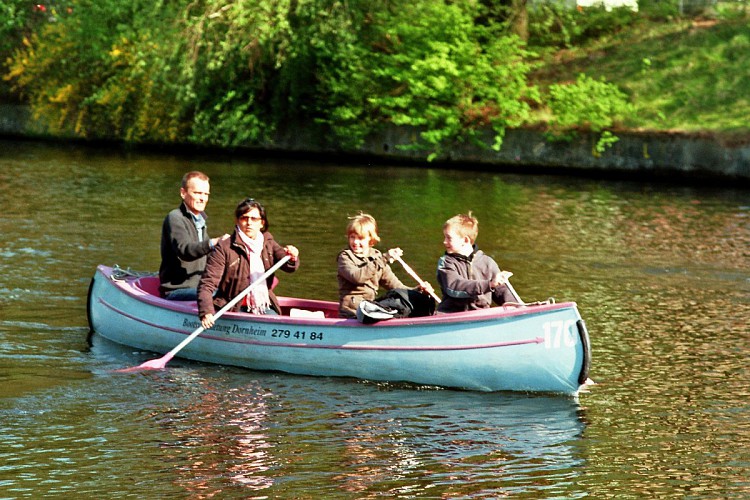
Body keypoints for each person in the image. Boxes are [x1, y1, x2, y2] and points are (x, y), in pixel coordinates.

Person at [198, 198, 299, 329]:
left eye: (254, 219)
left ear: (262, 223)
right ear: (237, 221)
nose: (249, 223)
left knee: (275, 324)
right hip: (232, 306)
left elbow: (288, 266)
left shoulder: (268, 242)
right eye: (244, 218)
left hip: (263, 305)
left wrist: (292, 257)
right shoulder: (225, 247)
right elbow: (207, 283)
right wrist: (206, 312)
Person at [337, 212, 433, 319]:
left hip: (368, 310)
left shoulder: (376, 258)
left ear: (371, 240)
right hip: (351, 313)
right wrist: (384, 259)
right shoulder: (345, 257)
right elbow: (357, 277)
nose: (355, 242)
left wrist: (418, 290)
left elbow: (397, 287)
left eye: (360, 238)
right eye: (352, 237)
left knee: (404, 300)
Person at [159, 171, 229, 300]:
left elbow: (210, 258)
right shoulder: (175, 218)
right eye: (197, 193)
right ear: (183, 193)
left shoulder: (200, 220)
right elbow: (185, 251)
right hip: (177, 290)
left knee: (232, 291)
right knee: (218, 296)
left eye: (206, 194)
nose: (202, 198)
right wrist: (213, 243)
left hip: (201, 288)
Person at [436, 212, 516, 313]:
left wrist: (519, 307)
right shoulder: (446, 262)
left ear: (465, 240)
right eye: (445, 237)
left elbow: (502, 292)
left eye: (449, 238)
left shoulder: (488, 262)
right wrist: (489, 284)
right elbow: (454, 286)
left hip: (481, 313)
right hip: (451, 314)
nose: (444, 242)